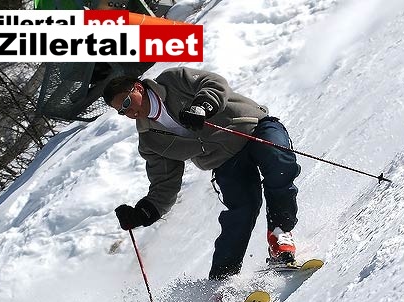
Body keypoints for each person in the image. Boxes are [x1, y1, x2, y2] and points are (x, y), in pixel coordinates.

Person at [103, 67, 301, 280]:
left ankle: (280, 234)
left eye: (126, 103)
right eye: (122, 111)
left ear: (138, 88)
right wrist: (144, 212)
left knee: (279, 161)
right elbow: (165, 181)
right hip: (225, 160)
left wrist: (203, 106)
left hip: (252, 128)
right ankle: (222, 280)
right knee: (242, 209)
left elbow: (213, 82)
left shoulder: (172, 80)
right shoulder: (150, 140)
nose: (129, 113)